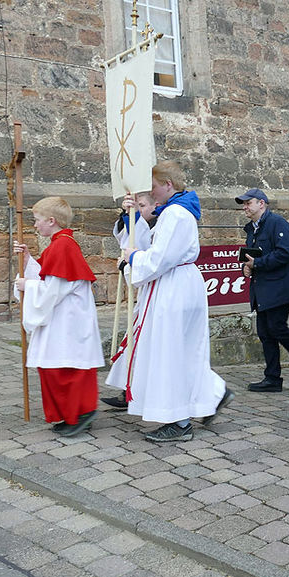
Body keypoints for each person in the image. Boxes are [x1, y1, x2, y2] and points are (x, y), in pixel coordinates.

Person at [108, 161, 233, 442]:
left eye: (153, 187)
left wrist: (133, 259)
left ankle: (178, 421)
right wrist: (131, 217)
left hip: (174, 287)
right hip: (174, 284)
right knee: (182, 353)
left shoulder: (176, 214)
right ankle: (210, 396)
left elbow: (158, 258)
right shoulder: (172, 212)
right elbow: (152, 246)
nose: (150, 193)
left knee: (170, 353)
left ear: (168, 185)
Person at [13, 197, 103, 437]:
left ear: (51, 221)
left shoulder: (63, 246)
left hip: (68, 320)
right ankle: (74, 414)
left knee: (64, 366)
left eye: (37, 220)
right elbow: (46, 275)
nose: (34, 226)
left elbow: (53, 290)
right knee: (56, 365)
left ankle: (81, 413)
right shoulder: (59, 244)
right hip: (64, 317)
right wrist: (27, 260)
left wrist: (27, 286)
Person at [237, 188, 289, 392]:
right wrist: (247, 267)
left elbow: (285, 253)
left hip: (280, 287)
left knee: (276, 328)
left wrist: (257, 263)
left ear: (262, 204)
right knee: (266, 332)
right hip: (263, 289)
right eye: (244, 204)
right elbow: (253, 257)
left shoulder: (277, 223)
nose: (245, 207)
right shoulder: (252, 229)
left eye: (249, 203)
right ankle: (273, 378)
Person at [102, 191, 157, 411]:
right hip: (145, 298)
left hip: (156, 297)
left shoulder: (163, 227)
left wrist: (129, 265)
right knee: (133, 345)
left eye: (142, 205)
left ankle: (216, 395)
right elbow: (130, 241)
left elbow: (146, 255)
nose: (139, 208)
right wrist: (128, 214)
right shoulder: (145, 225)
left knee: (146, 348)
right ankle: (129, 390)